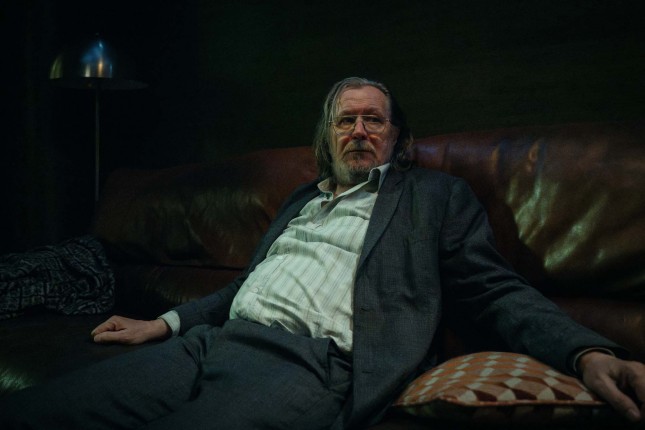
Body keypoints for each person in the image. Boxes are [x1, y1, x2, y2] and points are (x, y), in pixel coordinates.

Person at [1, 77, 644, 429]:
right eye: (345, 120)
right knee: (36, 412)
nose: (359, 131)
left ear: (398, 139)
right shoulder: (300, 201)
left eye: (374, 120)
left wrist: (587, 351)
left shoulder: (433, 197)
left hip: (308, 364)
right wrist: (165, 322)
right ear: (328, 137)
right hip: (208, 343)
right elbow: (245, 287)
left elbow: (492, 288)